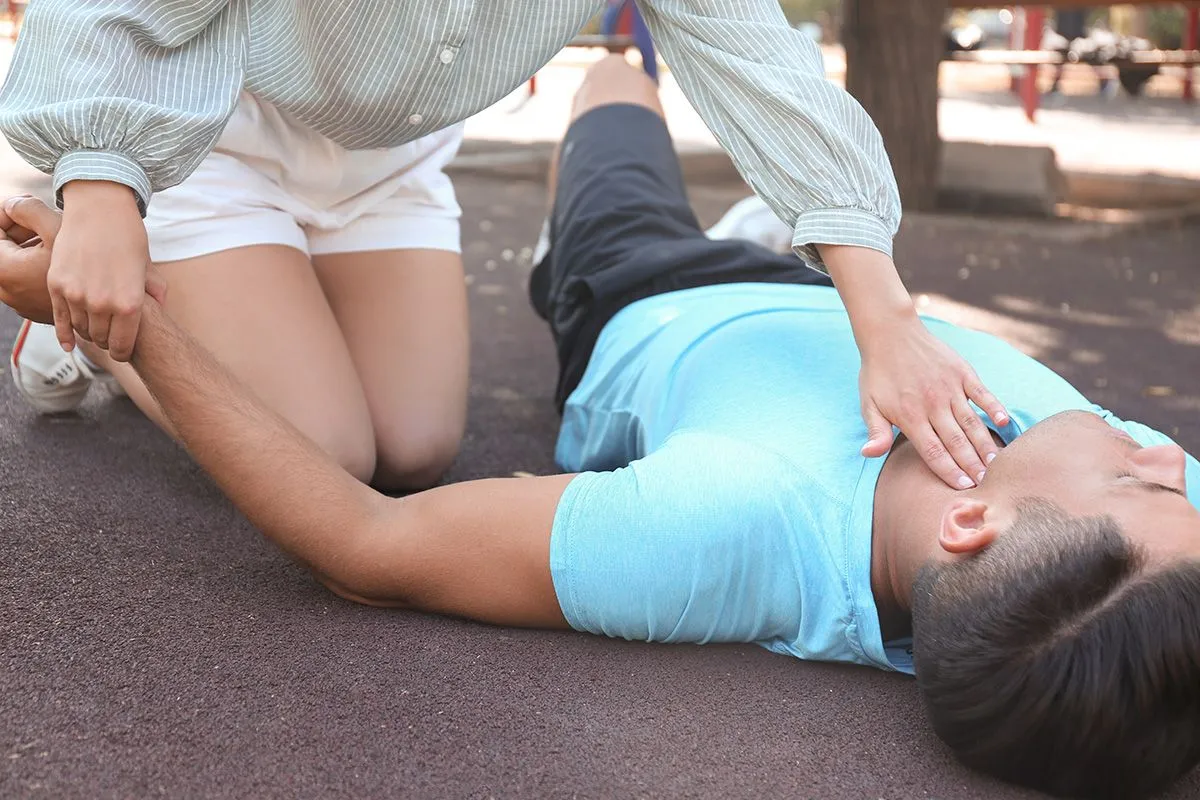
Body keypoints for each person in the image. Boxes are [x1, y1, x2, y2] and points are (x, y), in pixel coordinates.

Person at [3, 57, 1198, 799]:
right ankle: (776, 205)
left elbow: (367, 544)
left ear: (975, 518)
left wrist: (131, 329)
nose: (1163, 457)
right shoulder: (1134, 562)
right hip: (844, 282)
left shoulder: (726, 525)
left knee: (616, 106)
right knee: (743, 143)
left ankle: (77, 331)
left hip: (647, 285)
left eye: (1143, 484)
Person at [0, 0, 1010, 493]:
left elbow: (767, 69)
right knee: (328, 451)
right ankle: (88, 314)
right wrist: (102, 182)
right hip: (213, 136)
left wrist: (883, 317)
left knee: (416, 444)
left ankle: (138, 299)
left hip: (385, 166)